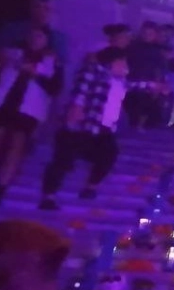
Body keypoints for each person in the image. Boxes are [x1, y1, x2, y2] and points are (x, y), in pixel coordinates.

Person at [0, 28, 63, 206]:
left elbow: (55, 87)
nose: (35, 39)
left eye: (40, 36)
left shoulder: (51, 61)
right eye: (33, 35)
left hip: (29, 109)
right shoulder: (11, 54)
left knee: (16, 148)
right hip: (2, 103)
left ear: (47, 41)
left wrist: (37, 74)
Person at [38, 48, 128, 210]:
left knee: (109, 153)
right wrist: (77, 105)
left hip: (102, 129)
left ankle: (90, 187)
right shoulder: (95, 72)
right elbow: (82, 87)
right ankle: (48, 196)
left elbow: (137, 85)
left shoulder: (120, 82)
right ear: (113, 62)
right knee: (63, 160)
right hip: (80, 125)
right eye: (122, 62)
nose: (125, 66)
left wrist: (154, 86)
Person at [124, 22, 167, 131]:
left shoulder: (158, 50)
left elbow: (160, 67)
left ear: (155, 35)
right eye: (145, 33)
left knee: (146, 104)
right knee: (131, 104)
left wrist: (158, 83)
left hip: (149, 81)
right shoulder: (132, 47)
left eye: (150, 34)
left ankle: (140, 126)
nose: (147, 36)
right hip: (132, 79)